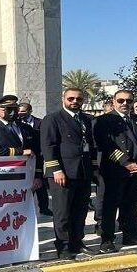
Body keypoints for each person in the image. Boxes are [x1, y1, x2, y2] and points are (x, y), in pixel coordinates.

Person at [94, 90, 137, 252]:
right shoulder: (103, 120)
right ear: (114, 101)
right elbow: (105, 145)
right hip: (114, 170)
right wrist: (126, 163)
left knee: (131, 204)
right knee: (110, 207)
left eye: (129, 101)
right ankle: (107, 240)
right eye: (121, 100)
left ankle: (131, 235)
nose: (125, 104)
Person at [40, 88, 97, 258]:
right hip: (62, 172)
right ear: (63, 99)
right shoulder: (53, 119)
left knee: (80, 210)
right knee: (63, 212)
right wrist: (56, 170)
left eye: (78, 99)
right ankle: (63, 246)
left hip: (83, 171)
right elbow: (48, 146)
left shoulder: (87, 119)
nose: (75, 101)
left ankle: (77, 242)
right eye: (71, 98)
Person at [18, 102, 53, 217]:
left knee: (40, 183)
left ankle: (44, 207)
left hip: (38, 155)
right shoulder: (17, 123)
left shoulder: (40, 122)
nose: (20, 113)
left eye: (23, 111)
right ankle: (25, 208)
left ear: (30, 111)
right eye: (19, 111)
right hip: (24, 157)